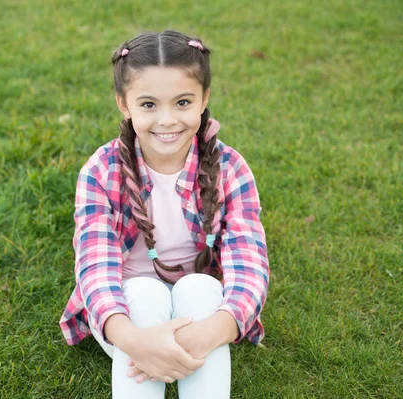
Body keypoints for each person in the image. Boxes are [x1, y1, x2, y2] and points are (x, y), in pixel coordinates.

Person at [59, 30, 269, 399]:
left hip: (202, 312)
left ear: (204, 99)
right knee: (144, 292)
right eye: (149, 105)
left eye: (183, 102)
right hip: (128, 315)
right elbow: (94, 265)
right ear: (124, 104)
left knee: (200, 286)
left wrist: (214, 330)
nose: (168, 120)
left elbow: (249, 260)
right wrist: (134, 340)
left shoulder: (230, 168)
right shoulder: (100, 171)